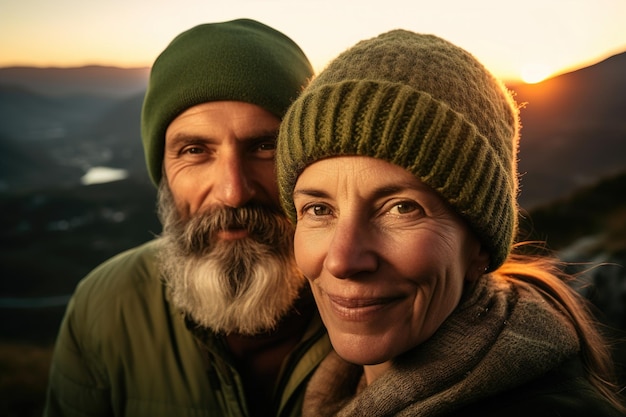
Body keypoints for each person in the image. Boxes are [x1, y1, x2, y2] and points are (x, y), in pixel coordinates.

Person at [276, 29, 625, 416]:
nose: (342, 260)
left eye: (401, 208)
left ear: (478, 245)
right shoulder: (327, 389)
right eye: (319, 210)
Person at [44, 19, 330, 417]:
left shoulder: (369, 302)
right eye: (195, 150)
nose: (233, 191)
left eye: (265, 146)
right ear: (162, 170)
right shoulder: (106, 308)